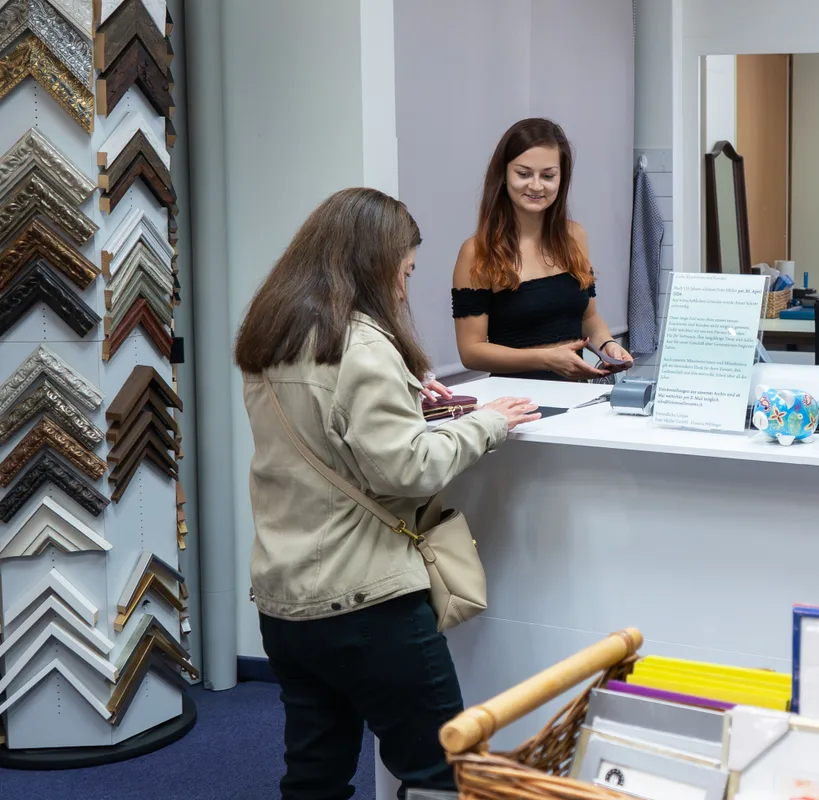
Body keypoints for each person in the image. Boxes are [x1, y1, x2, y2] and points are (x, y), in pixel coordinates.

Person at [234, 187, 540, 800]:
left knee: (315, 775)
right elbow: (408, 471)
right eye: (404, 272)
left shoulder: (272, 332)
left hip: (284, 601)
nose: (404, 289)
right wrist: (489, 422)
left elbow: (327, 438)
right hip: (366, 603)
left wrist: (408, 396)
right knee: (442, 774)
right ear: (374, 265)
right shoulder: (363, 345)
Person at [452, 117, 634, 381]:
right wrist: (547, 359)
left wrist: (608, 345)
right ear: (503, 175)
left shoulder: (575, 236)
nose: (536, 186)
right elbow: (471, 352)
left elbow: (590, 318)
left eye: (548, 176)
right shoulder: (476, 252)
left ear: (561, 179)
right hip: (517, 406)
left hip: (577, 400)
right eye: (523, 174)